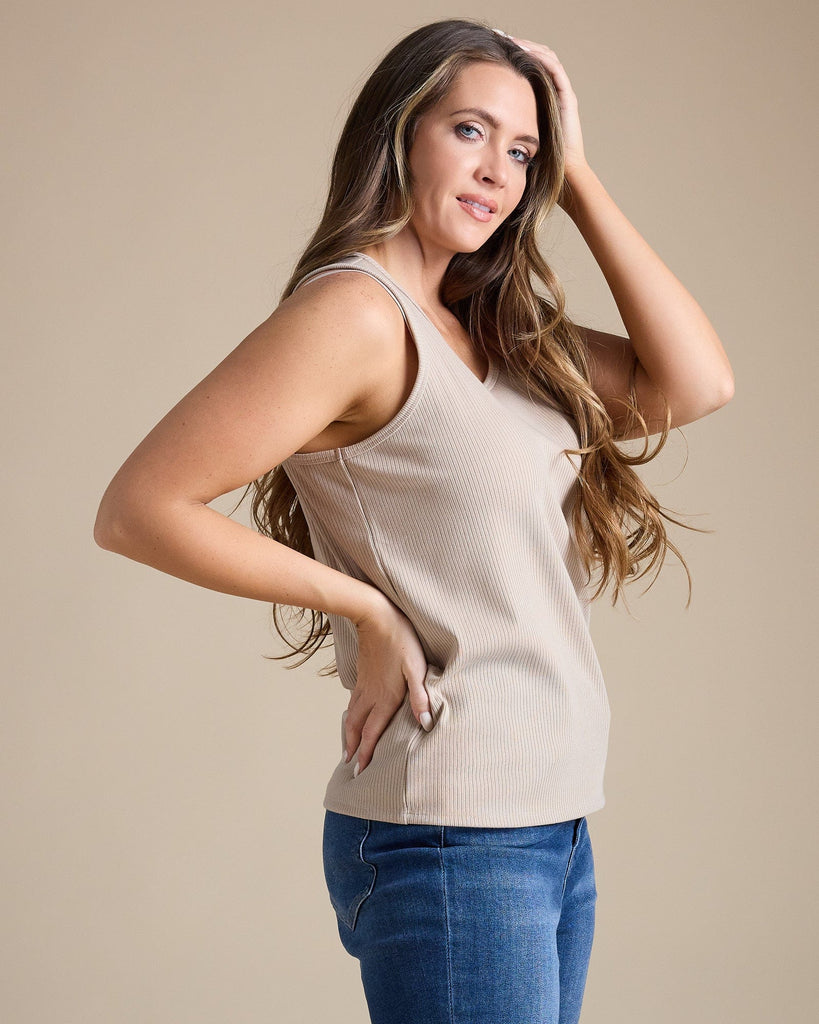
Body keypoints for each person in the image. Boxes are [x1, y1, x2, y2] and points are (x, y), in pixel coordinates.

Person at [94, 17, 734, 1024]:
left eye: (523, 151)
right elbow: (137, 509)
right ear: (400, 134)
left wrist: (583, 177)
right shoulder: (355, 314)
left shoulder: (494, 330)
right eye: (471, 133)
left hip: (549, 826)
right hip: (454, 833)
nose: (499, 172)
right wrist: (365, 608)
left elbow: (697, 382)